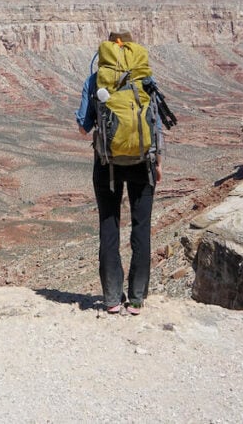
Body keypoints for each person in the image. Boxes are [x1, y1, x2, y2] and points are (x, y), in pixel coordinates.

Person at [75, 32, 162, 315]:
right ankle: (136, 299)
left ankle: (112, 299)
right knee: (141, 228)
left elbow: (82, 126)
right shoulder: (144, 79)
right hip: (142, 163)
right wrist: (157, 162)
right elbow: (155, 125)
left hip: (107, 165)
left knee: (109, 228)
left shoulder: (96, 79)